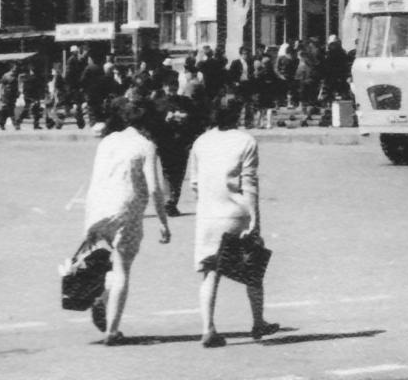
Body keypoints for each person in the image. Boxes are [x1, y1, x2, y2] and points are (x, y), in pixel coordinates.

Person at [80, 92, 171, 345]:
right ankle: (112, 329)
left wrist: (88, 221)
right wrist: (163, 221)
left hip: (98, 206)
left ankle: (104, 296)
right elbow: (154, 188)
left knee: (102, 262)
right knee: (122, 269)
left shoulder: (107, 141)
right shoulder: (146, 146)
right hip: (126, 211)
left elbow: (96, 178)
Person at [191, 93, 280, 347]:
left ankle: (208, 328)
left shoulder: (201, 141)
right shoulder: (246, 141)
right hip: (235, 214)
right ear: (238, 112)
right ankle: (258, 322)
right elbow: (249, 185)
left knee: (210, 273)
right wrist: (255, 221)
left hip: (208, 215)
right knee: (253, 269)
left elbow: (195, 183)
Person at [153, 68, 200, 216]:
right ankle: (168, 202)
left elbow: (196, 120)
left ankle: (173, 201)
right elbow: (152, 125)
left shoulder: (185, 102)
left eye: (174, 84)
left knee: (179, 174)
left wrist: (186, 119)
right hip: (166, 143)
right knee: (167, 172)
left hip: (182, 143)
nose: (171, 88)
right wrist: (164, 120)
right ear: (163, 86)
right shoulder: (157, 104)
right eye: (168, 85)